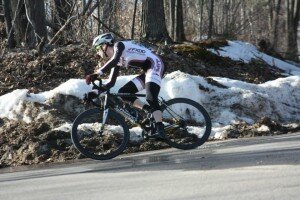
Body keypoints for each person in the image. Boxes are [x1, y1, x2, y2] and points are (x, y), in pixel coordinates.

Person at [85, 33, 166, 138]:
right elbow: (110, 83)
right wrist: (93, 93)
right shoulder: (117, 60)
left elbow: (113, 61)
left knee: (151, 97)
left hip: (155, 64)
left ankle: (160, 129)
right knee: (124, 92)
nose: (97, 52)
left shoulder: (119, 45)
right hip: (148, 70)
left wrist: (97, 73)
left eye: (97, 48)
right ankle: (150, 110)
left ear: (104, 45)